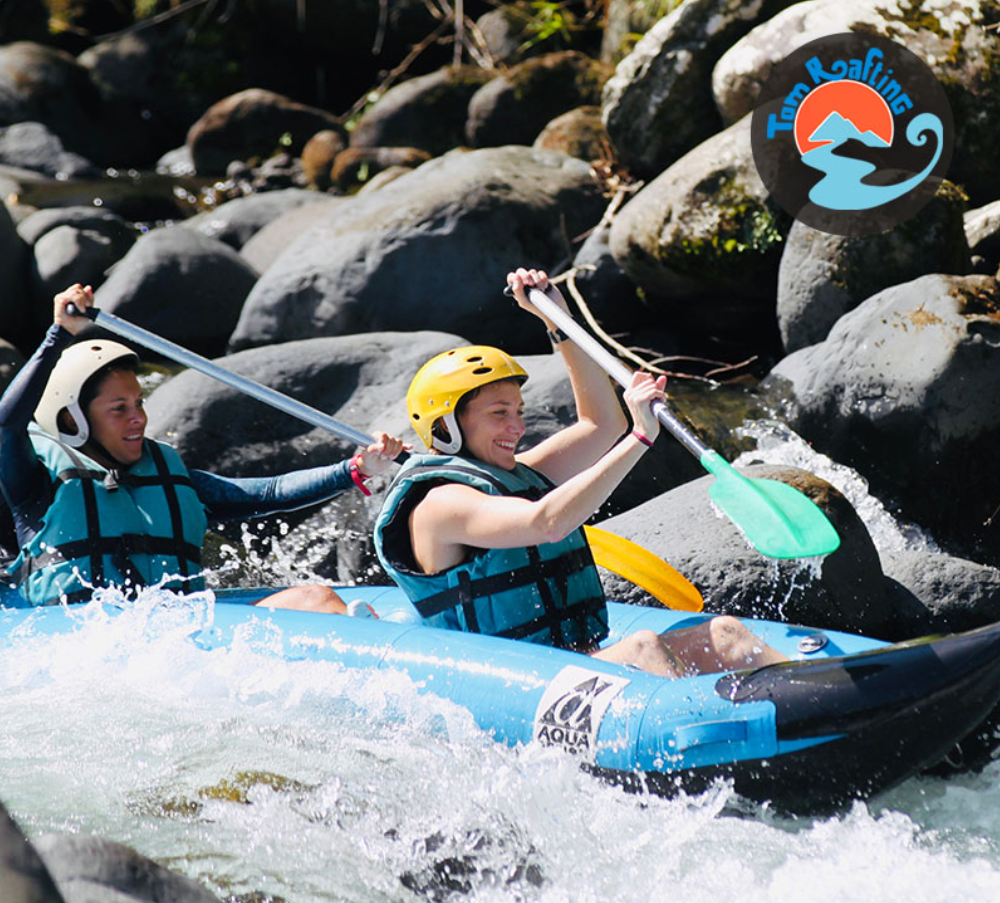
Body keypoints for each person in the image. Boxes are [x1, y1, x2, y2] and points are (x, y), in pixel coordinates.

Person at [374, 268, 788, 677]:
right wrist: (642, 437)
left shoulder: (517, 477)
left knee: (726, 634)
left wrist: (558, 320)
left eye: (518, 411)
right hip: (505, 681)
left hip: (573, 663)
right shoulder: (441, 504)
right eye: (499, 414)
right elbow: (547, 522)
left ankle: (832, 715)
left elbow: (601, 425)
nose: (517, 428)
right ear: (445, 425)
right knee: (642, 648)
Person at [0, 283, 404, 612]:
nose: (138, 418)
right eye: (118, 409)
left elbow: (269, 493)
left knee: (316, 599)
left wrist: (356, 469)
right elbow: (6, 425)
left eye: (138, 403)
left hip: (174, 639)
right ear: (72, 419)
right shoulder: (37, 484)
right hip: (78, 641)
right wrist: (58, 335)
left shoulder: (171, 478)